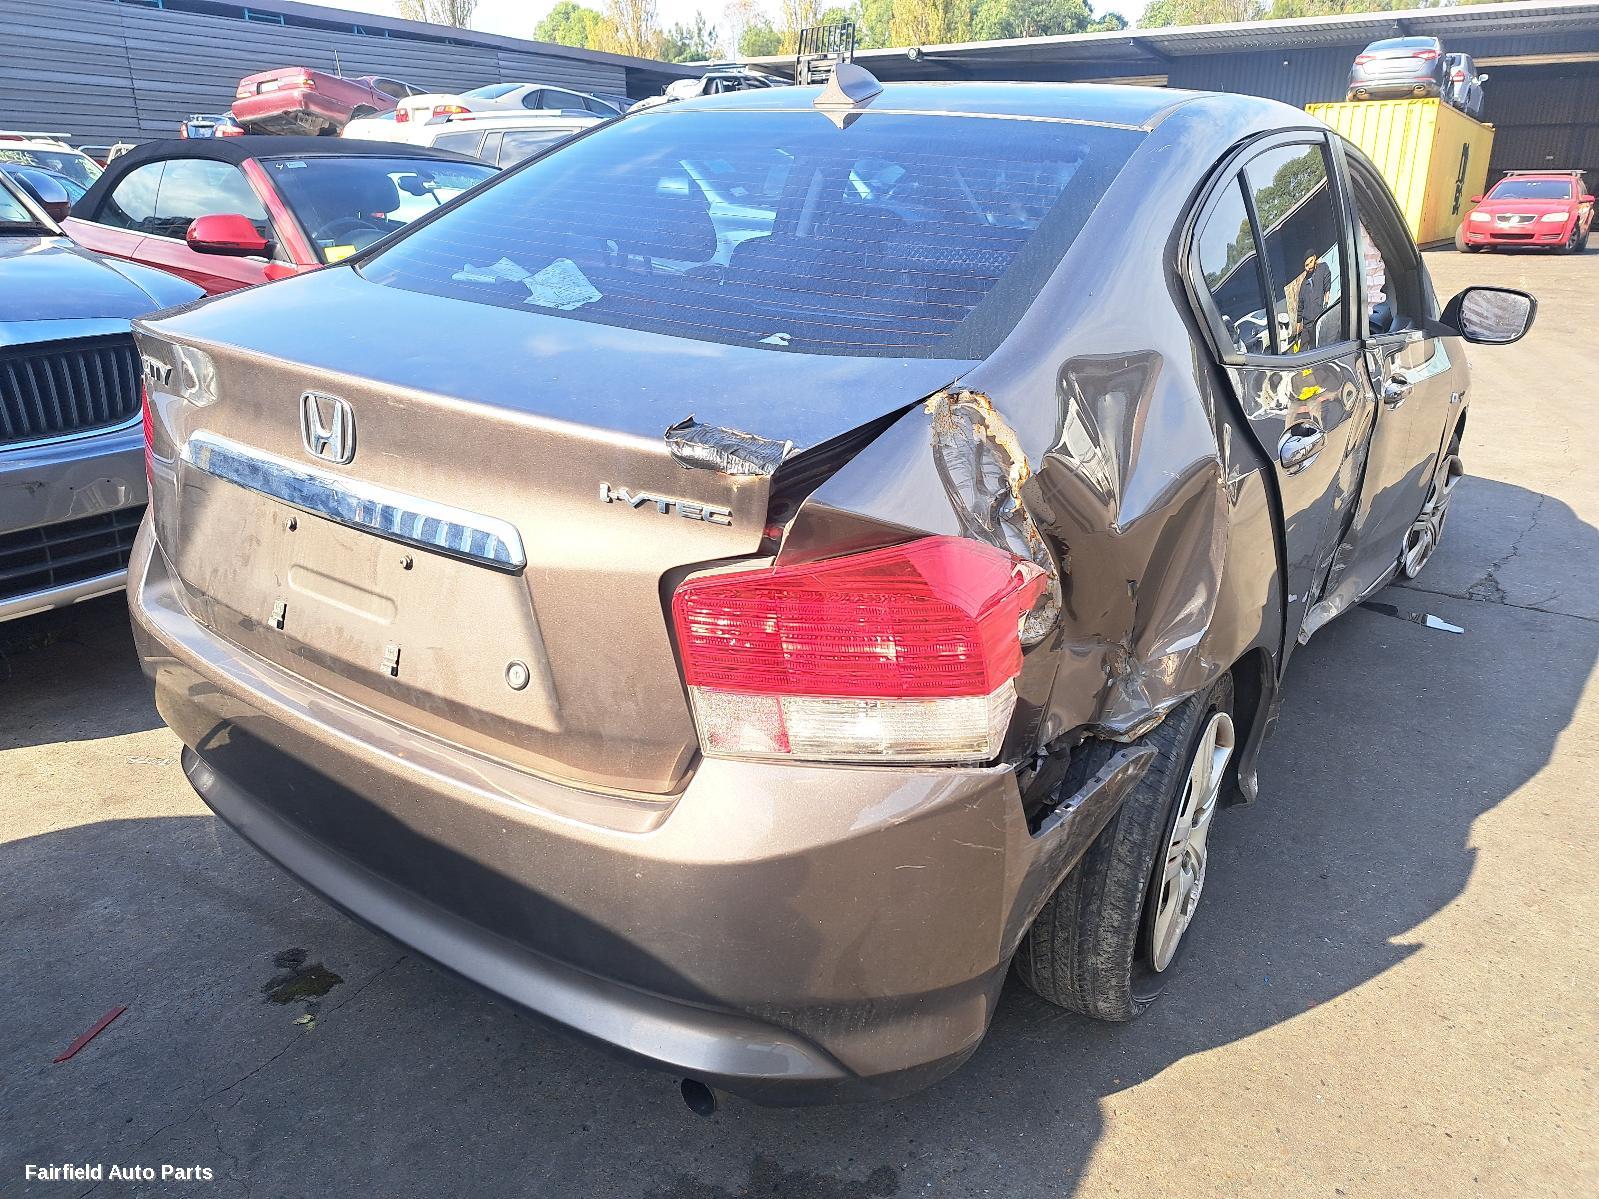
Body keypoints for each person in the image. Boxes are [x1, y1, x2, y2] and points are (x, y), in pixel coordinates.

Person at [1293, 248, 1332, 349]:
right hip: (1307, 326)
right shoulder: (1303, 285)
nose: (1308, 267)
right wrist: (1297, 335)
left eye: (1310, 263)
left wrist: (1326, 305)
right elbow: (1300, 310)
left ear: (1314, 258)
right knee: (1302, 351)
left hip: (1319, 320)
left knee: (1319, 348)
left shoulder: (1323, 268)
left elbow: (1327, 287)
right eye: (1306, 265)